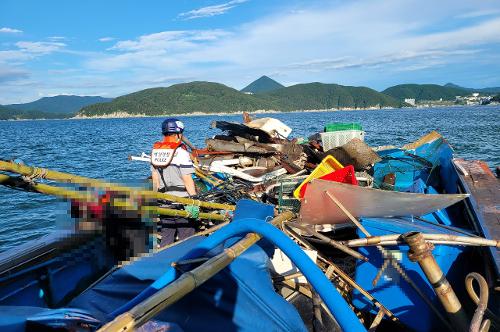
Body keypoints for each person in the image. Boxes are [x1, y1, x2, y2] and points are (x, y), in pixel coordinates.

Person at [150, 118, 197, 246]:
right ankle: (186, 263)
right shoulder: (181, 153)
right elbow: (187, 180)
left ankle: (163, 261)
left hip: (164, 201)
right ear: (178, 134)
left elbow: (155, 182)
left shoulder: (155, 152)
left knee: (167, 235)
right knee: (187, 237)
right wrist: (194, 202)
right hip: (182, 201)